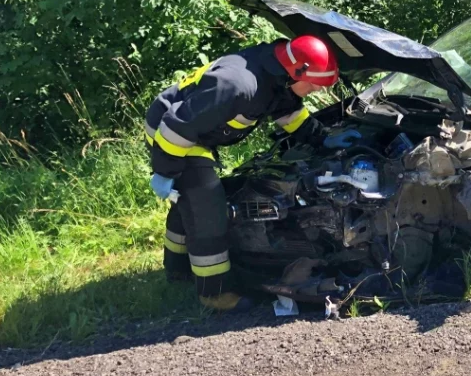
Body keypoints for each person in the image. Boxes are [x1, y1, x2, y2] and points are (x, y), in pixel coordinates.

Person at [144, 36, 358, 311]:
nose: (317, 90)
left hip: (192, 129)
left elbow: (287, 111)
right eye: (316, 84)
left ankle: (177, 272)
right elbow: (178, 127)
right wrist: (166, 171)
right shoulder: (237, 86)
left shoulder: (277, 70)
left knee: (190, 200)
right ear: (298, 71)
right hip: (170, 133)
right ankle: (214, 293)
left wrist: (322, 139)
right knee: (207, 206)